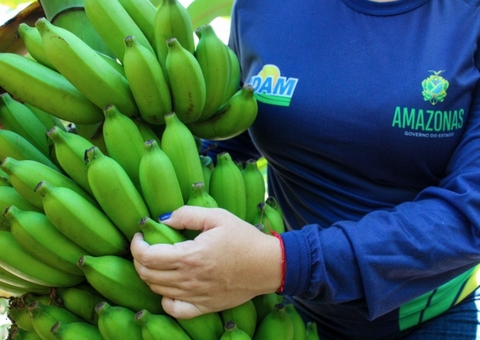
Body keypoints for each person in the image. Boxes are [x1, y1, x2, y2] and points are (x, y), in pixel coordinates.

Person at [130, 0, 480, 338]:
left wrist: (284, 263)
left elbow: (472, 211)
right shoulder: (263, 7)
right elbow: (230, 136)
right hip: (280, 310)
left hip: (425, 313)